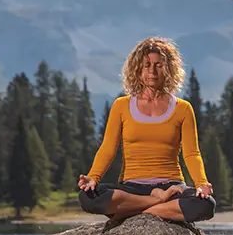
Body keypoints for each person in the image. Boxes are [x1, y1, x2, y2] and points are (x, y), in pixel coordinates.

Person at [78, 37, 215, 224]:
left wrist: (201, 183)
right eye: (147, 65)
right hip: (132, 188)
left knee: (206, 205)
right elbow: (108, 148)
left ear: (169, 69)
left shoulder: (183, 108)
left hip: (171, 185)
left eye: (158, 65)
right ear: (137, 70)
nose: (152, 71)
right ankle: (156, 202)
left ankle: (138, 212)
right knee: (88, 197)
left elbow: (192, 153)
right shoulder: (121, 106)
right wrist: (93, 177)